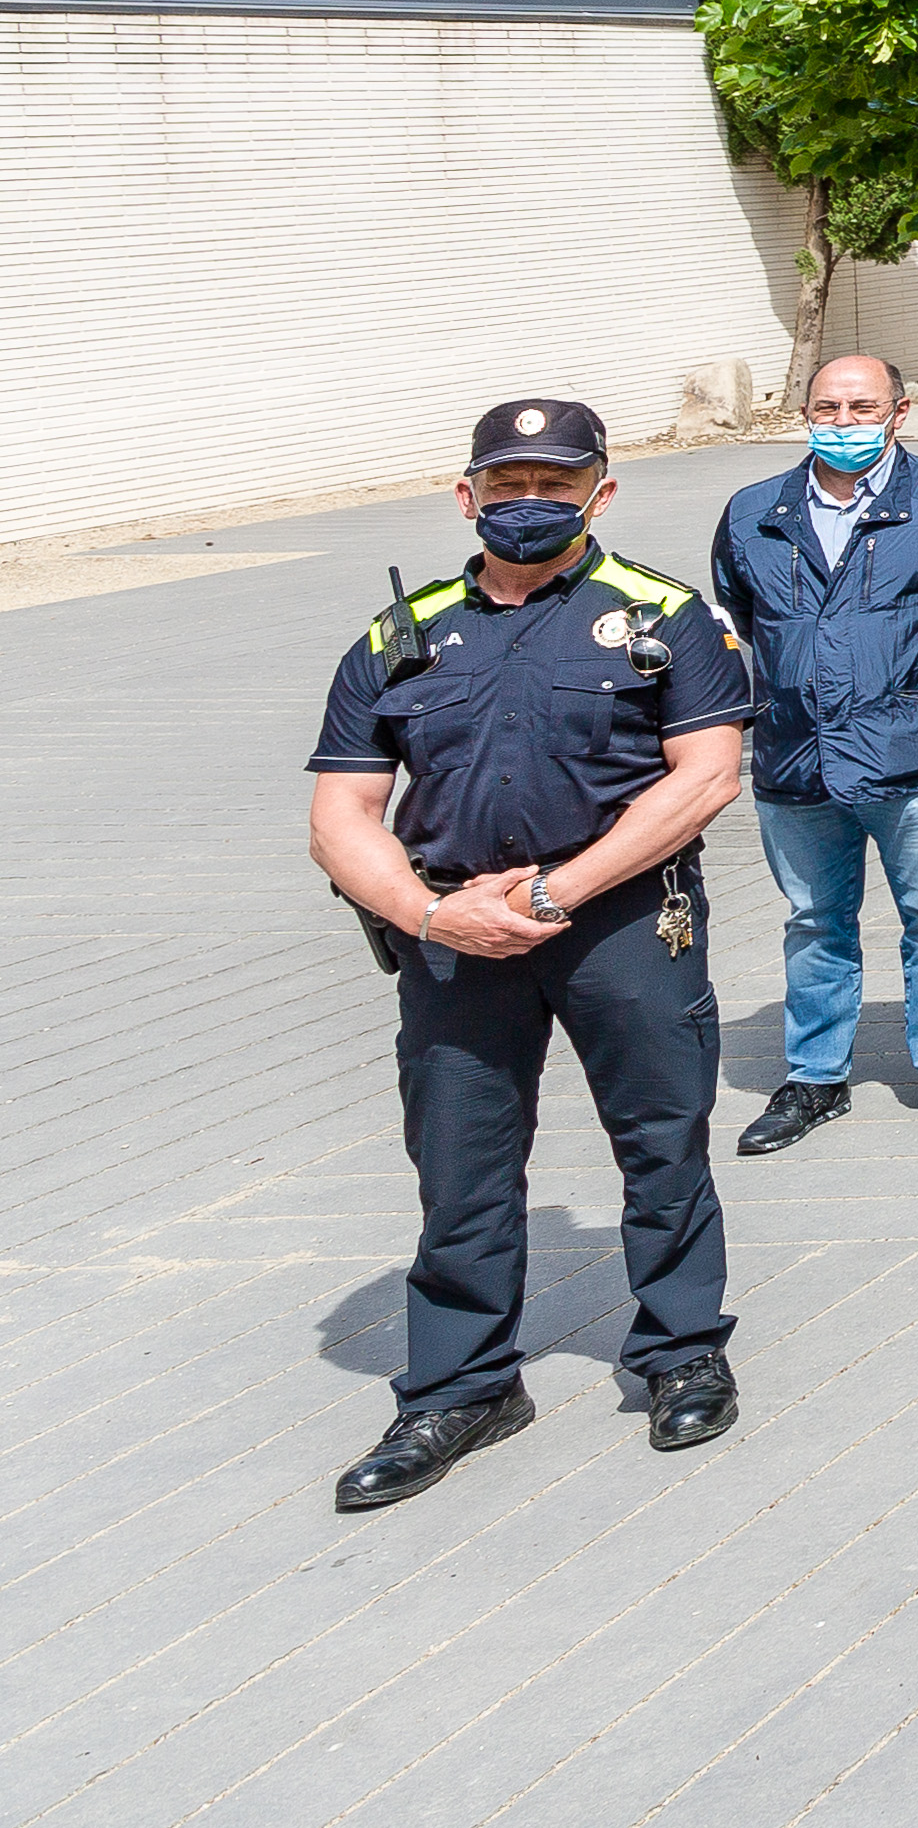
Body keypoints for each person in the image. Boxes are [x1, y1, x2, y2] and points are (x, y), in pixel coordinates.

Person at [304, 398, 754, 1510]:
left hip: (617, 922)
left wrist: (557, 889)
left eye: (556, 484)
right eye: (507, 485)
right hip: (454, 932)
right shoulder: (399, 633)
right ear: (467, 495)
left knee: (661, 1138)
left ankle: (680, 1348)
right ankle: (460, 1385)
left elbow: (705, 775)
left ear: (600, 492)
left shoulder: (663, 616)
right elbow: (341, 811)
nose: (530, 503)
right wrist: (426, 913)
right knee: (457, 1160)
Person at [714, 353, 918, 1153]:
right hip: (795, 753)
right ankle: (815, 1076)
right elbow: (744, 612)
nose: (844, 421)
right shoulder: (755, 508)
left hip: (914, 753)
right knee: (815, 919)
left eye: (863, 406)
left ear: (899, 411)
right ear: (804, 411)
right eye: (828, 406)